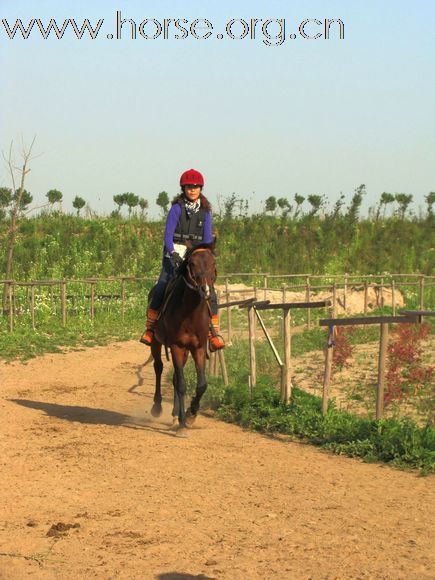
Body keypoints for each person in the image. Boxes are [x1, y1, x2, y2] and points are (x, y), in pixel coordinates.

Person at [140, 168, 225, 351]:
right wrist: (173, 253)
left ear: (200, 188)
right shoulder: (176, 209)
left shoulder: (205, 211)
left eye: (195, 187)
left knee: (210, 289)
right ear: (183, 188)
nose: (192, 190)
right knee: (162, 285)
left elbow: (207, 238)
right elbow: (168, 235)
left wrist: (204, 255)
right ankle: (150, 327)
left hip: (195, 253)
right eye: (188, 187)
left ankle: (213, 332)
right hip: (175, 252)